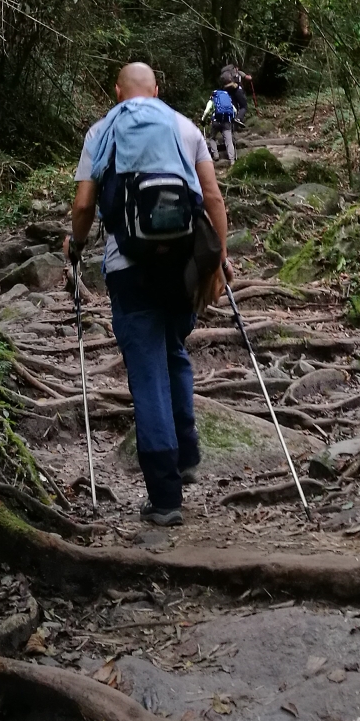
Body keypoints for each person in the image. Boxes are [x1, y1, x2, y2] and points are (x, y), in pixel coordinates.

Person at [67, 62, 229, 527]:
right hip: (183, 267)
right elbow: (212, 199)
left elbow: (83, 205)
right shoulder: (183, 126)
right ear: (157, 90)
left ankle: (164, 497)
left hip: (128, 268)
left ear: (118, 91)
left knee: (147, 372)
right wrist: (215, 260)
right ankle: (186, 453)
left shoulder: (102, 130)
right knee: (174, 347)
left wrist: (75, 247)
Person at [201, 86, 237, 164]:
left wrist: (203, 120)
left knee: (212, 138)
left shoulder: (213, 100)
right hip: (227, 122)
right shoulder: (227, 100)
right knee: (229, 141)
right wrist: (233, 118)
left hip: (216, 121)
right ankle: (232, 160)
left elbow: (206, 111)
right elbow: (235, 110)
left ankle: (216, 155)